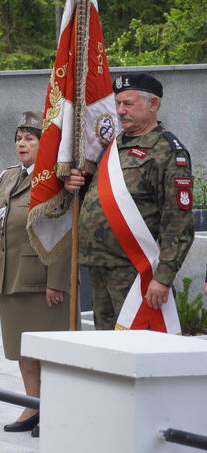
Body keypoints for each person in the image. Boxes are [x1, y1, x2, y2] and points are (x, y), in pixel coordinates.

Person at [65, 73, 194, 331]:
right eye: (118, 104)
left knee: (136, 347)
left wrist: (163, 278)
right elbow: (99, 196)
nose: (121, 111)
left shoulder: (168, 151)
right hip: (99, 265)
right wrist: (75, 185)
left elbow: (178, 224)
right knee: (107, 347)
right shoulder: (111, 147)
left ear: (153, 104)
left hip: (136, 271)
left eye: (128, 104)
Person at [0, 111, 70, 438]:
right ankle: (33, 404)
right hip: (11, 275)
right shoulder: (9, 177)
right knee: (21, 349)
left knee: (47, 352)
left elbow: (63, 233)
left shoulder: (53, 180)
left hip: (39, 279)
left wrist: (56, 281)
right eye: (19, 138)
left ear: (44, 143)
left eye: (30, 138)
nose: (22, 143)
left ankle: (54, 408)